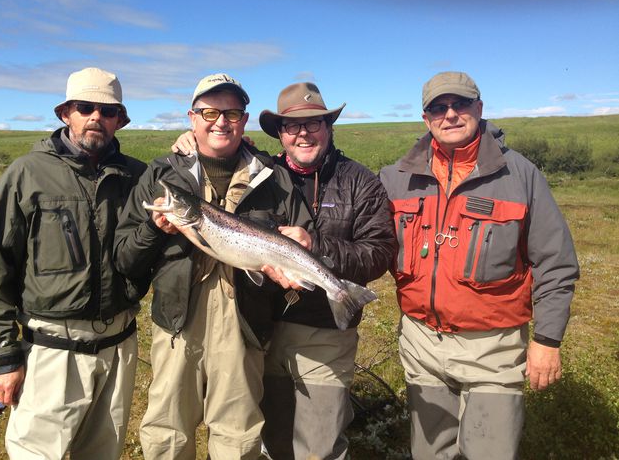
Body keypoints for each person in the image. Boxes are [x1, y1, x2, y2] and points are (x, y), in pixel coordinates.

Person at [172, 81, 397, 459]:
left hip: (326, 332)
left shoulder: (360, 183)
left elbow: (380, 252)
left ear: (329, 127)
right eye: (292, 126)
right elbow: (221, 143)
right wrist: (188, 140)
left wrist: (317, 247)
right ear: (280, 133)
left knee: (320, 444)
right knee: (273, 441)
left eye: (314, 124)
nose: (303, 133)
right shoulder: (265, 173)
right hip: (266, 330)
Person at [379, 71, 579, 460]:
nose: (449, 114)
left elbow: (555, 263)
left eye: (460, 104)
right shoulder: (395, 178)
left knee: (490, 452)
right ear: (426, 119)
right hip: (421, 346)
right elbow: (365, 242)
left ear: (479, 109)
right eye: (438, 107)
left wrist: (548, 340)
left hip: (495, 350)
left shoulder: (519, 174)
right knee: (428, 453)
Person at [113, 73, 310, 460]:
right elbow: (125, 257)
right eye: (210, 112)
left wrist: (302, 243)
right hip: (176, 324)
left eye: (232, 112)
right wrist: (155, 230)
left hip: (245, 324)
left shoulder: (275, 178)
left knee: (238, 439)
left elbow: (300, 239)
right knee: (167, 435)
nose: (221, 121)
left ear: (244, 120)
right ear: (192, 118)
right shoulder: (161, 175)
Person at [0, 67, 147, 459]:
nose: (95, 116)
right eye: (85, 107)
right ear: (67, 113)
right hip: (52, 350)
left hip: (120, 347)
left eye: (107, 109)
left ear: (120, 119)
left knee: (104, 452)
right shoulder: (26, 174)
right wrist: (4, 354)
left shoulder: (138, 177)